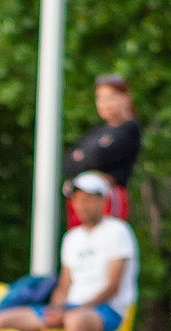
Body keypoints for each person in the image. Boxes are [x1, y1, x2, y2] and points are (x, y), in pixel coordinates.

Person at [0, 172, 137, 331]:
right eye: (77, 200)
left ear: (102, 200)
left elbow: (113, 286)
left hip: (106, 309)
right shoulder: (71, 238)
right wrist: (56, 310)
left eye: (87, 200)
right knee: (1, 321)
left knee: (74, 321)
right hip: (70, 308)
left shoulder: (118, 231)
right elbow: (64, 285)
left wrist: (72, 311)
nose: (81, 206)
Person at [63, 73, 142, 226]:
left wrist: (85, 158)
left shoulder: (129, 129)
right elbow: (69, 161)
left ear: (126, 98)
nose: (104, 103)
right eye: (100, 98)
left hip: (107, 199)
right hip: (80, 200)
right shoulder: (97, 131)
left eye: (110, 97)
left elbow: (97, 157)